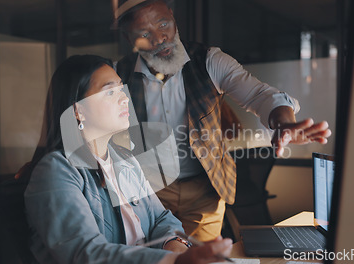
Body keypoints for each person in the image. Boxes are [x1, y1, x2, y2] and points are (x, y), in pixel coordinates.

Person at [113, 0, 332, 242]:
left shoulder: (209, 61)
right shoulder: (117, 75)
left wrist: (283, 122)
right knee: (152, 256)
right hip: (148, 191)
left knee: (203, 257)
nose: (160, 37)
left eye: (164, 24)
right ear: (128, 37)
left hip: (204, 190)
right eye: (145, 33)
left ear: (174, 18)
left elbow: (260, 95)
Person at [22, 54, 233, 264]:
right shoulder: (57, 170)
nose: (125, 98)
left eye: (121, 89)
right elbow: (85, 253)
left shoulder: (124, 160)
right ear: (79, 111)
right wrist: (173, 262)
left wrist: (176, 247)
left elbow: (161, 218)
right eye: (110, 92)